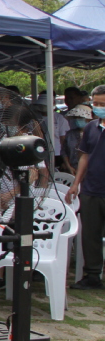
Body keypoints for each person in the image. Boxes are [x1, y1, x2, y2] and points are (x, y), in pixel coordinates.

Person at [68, 85, 105, 290]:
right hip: (91, 189)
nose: (98, 108)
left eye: (102, 104)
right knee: (90, 234)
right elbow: (84, 156)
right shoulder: (91, 128)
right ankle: (92, 275)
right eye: (96, 104)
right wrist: (76, 184)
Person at [64, 103, 92, 173]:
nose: (77, 120)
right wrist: (69, 166)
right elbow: (64, 151)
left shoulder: (96, 134)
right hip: (73, 170)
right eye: (75, 117)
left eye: (80, 118)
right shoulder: (70, 134)